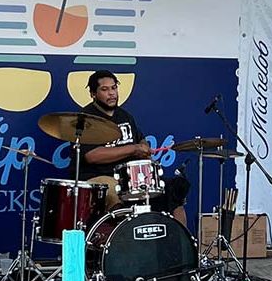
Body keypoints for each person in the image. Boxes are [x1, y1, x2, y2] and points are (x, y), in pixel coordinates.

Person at [78, 70, 190, 226]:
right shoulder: (85, 118)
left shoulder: (125, 116)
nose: (112, 93)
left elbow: (140, 140)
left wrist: (143, 147)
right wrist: (133, 149)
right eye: (105, 89)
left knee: (172, 192)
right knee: (114, 193)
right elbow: (92, 155)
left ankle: (181, 245)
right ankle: (125, 244)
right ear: (93, 94)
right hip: (99, 177)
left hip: (129, 178)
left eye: (114, 88)